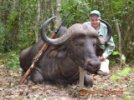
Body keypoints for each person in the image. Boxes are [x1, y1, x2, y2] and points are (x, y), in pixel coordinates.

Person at [83, 10, 115, 75]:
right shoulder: (84, 26)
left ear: (100, 19)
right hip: (87, 54)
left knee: (103, 72)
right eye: (92, 20)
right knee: (84, 71)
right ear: (90, 19)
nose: (94, 22)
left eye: (96, 20)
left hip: (100, 55)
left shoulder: (105, 27)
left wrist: (104, 56)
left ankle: (102, 65)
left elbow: (111, 45)